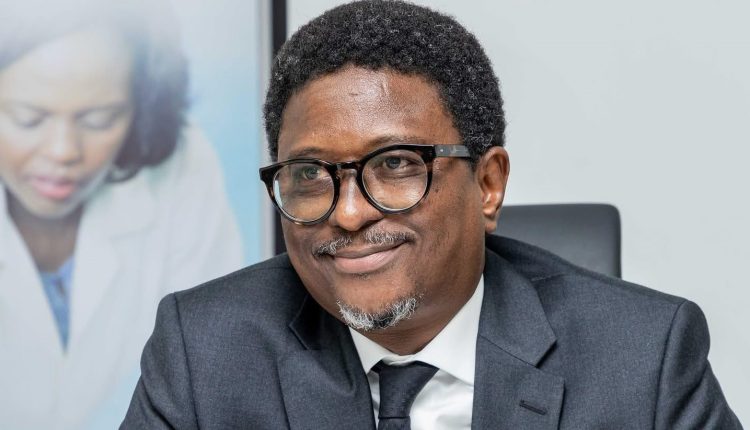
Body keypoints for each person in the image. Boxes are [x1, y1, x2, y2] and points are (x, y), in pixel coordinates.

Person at [122, 1, 741, 429]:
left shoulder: (643, 360)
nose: (349, 214)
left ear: (488, 184)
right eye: (310, 175)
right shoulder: (204, 352)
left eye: (395, 164)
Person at [0, 0, 242, 428]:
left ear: (141, 108)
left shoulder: (181, 169)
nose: (63, 151)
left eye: (99, 120)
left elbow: (219, 361)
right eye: (28, 118)